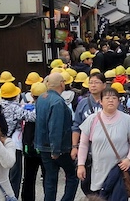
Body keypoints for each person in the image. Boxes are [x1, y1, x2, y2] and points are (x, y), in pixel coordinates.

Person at [77, 87, 130, 196]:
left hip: (119, 170)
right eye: (107, 98)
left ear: (118, 101)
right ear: (100, 102)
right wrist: (81, 165)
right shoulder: (92, 119)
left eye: (114, 98)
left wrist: (129, 159)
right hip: (98, 171)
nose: (110, 100)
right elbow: (83, 144)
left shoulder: (127, 119)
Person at [35, 72, 78, 201]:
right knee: (72, 175)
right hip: (59, 147)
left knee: (50, 177)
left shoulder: (41, 98)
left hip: (42, 145)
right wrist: (56, 150)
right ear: (61, 83)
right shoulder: (58, 102)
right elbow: (55, 127)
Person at [71, 72, 107, 194]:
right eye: (91, 83)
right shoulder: (83, 103)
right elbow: (76, 126)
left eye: (96, 82)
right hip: (87, 148)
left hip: (106, 147)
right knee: (86, 183)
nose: (93, 85)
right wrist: (74, 146)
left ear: (104, 85)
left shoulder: (110, 101)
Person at [0, 82, 36, 197]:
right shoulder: (15, 108)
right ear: (15, 96)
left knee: (2, 174)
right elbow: (32, 117)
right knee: (15, 175)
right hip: (14, 144)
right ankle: (12, 197)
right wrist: (36, 106)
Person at [22, 81, 47, 201]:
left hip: (29, 149)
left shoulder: (27, 110)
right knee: (48, 178)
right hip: (45, 148)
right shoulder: (48, 109)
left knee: (28, 178)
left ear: (32, 95)